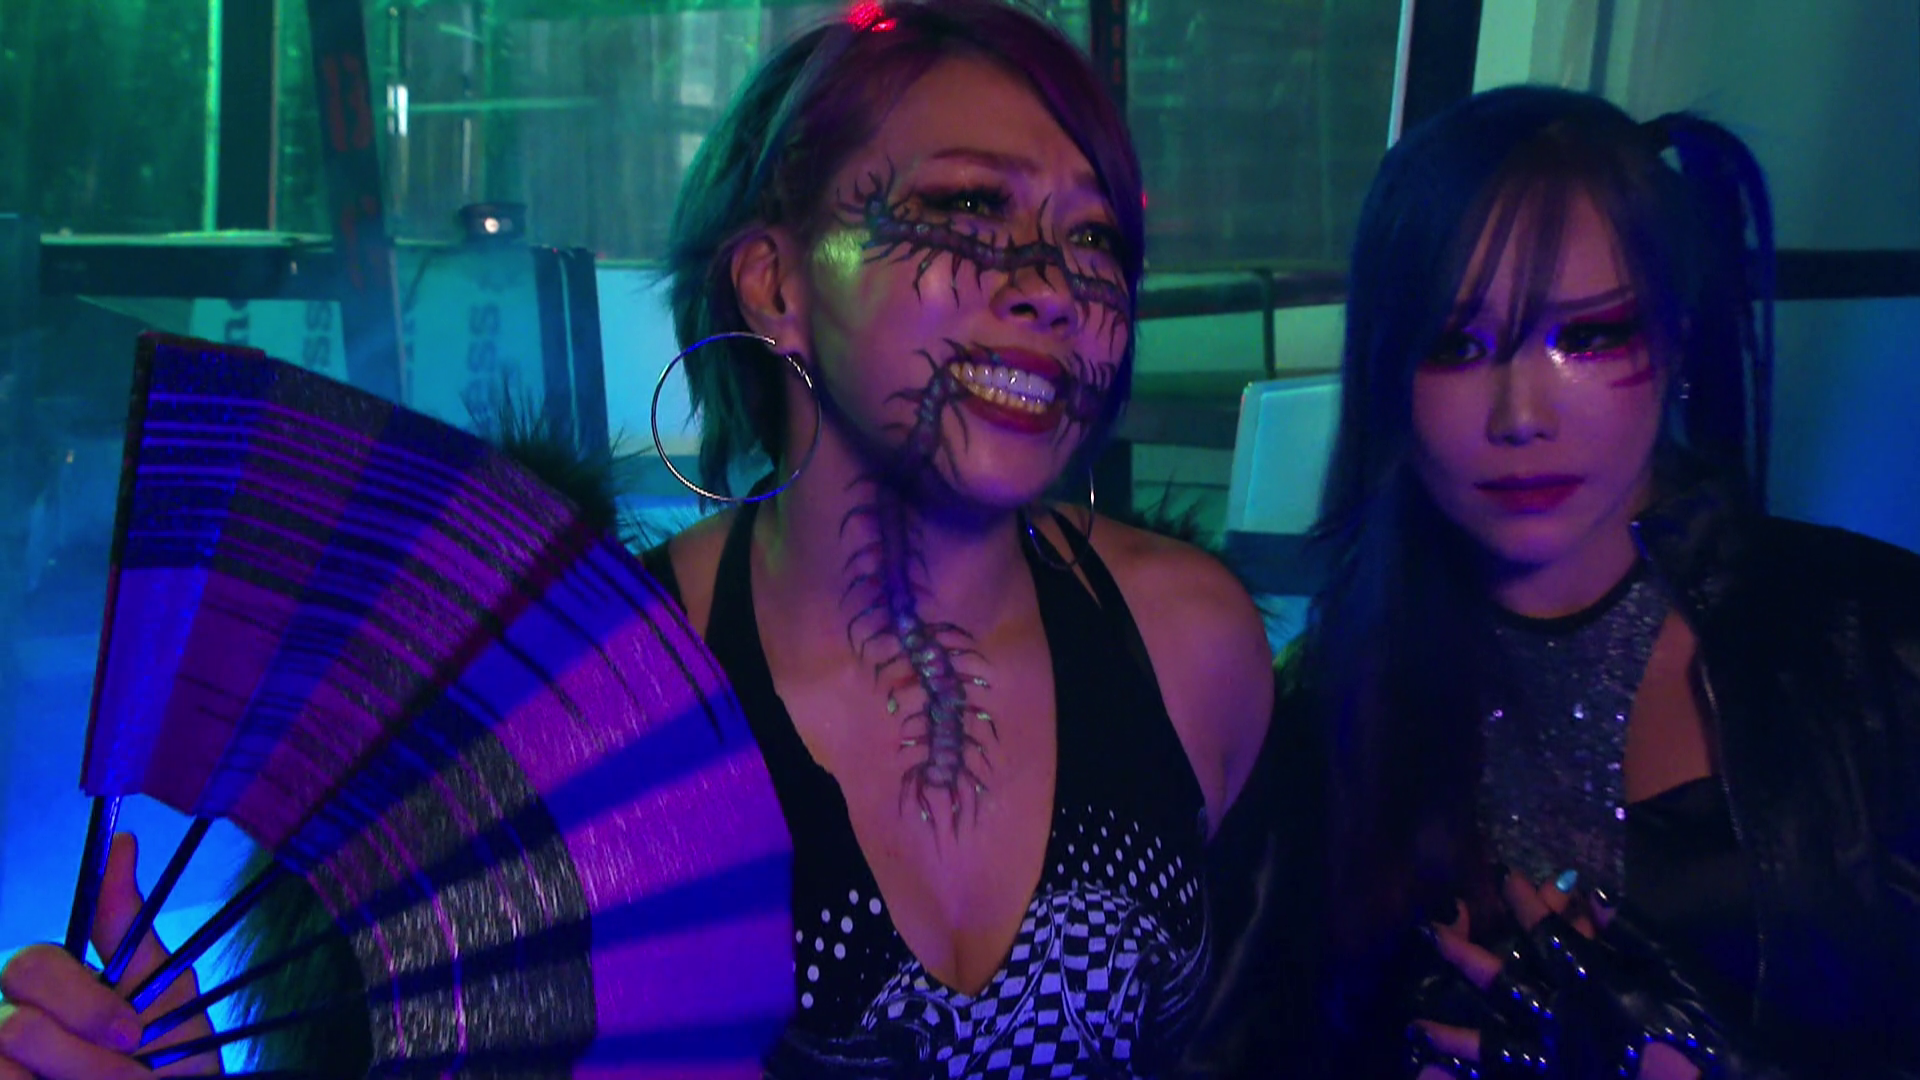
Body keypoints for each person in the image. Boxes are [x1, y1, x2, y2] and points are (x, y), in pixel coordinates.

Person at [0, 2, 1275, 1076]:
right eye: (970, 208)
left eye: (1094, 235)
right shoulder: (562, 712)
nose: (1052, 285)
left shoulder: (1192, 649)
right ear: (775, 284)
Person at [1217, 85, 1920, 1079]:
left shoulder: (1875, 644)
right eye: (1455, 345)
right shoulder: (1322, 716)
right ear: (1384, 373)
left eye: (1586, 336)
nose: (1520, 416)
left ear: (1678, 340)